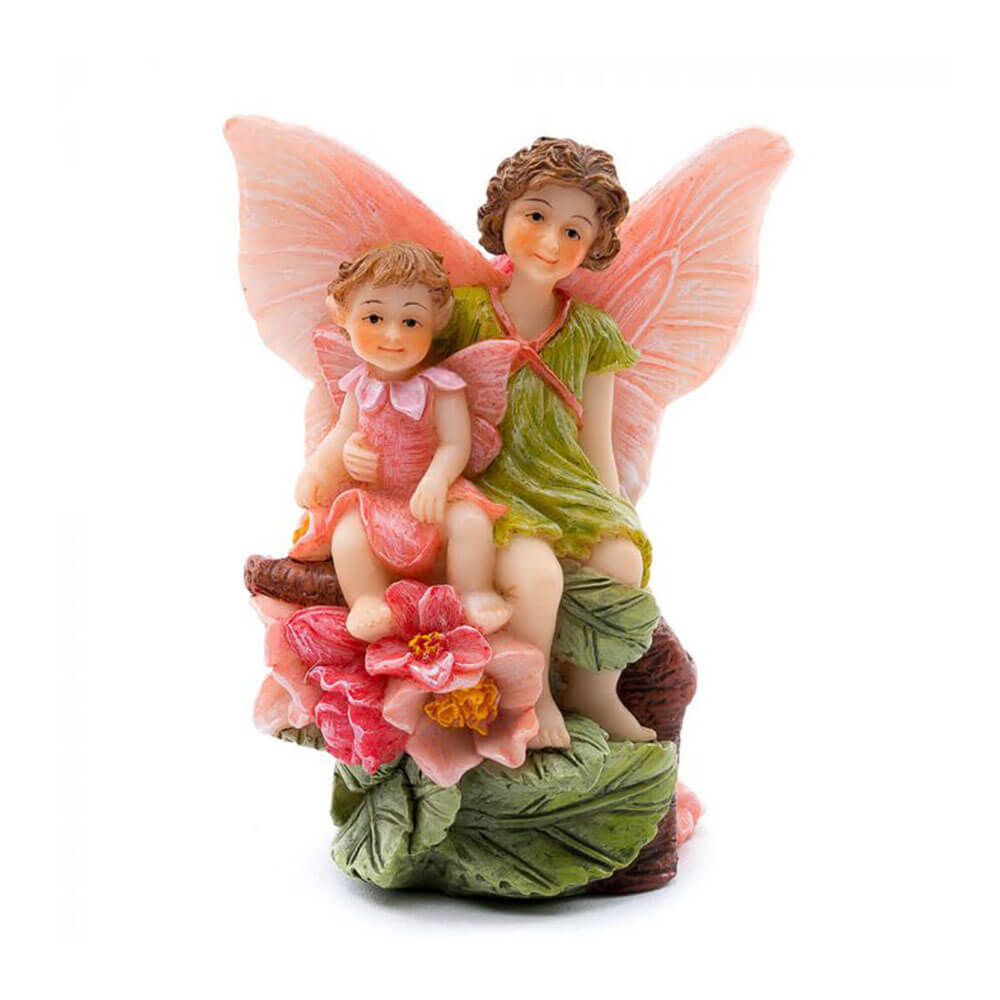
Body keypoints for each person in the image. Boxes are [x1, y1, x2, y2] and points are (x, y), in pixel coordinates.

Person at [295, 241, 511, 642]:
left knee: (471, 523)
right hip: (379, 500)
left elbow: (454, 444)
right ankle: (367, 599)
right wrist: (323, 468)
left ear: (437, 321)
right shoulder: (359, 387)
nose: (392, 335)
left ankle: (475, 592)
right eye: (374, 317)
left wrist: (437, 479)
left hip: (433, 497)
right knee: (347, 533)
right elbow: (343, 432)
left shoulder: (442, 388)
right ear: (342, 316)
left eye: (411, 322)